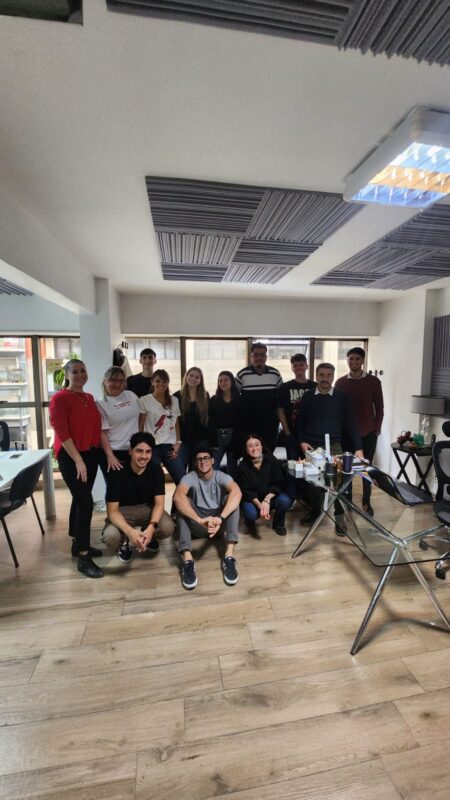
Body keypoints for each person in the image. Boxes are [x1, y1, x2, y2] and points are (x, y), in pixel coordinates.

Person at [49, 359, 104, 578]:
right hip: (71, 457)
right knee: (86, 502)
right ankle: (83, 557)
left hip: (90, 455)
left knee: (80, 500)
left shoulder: (89, 398)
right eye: (75, 371)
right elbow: (61, 431)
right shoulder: (60, 398)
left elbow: (95, 427)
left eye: (83, 370)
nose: (80, 374)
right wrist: (78, 460)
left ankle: (77, 542)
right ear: (66, 375)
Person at [297, 362, 364, 532]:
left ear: (333, 377)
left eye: (329, 375)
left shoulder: (342, 397)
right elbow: (300, 422)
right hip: (312, 446)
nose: (325, 379)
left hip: (334, 446)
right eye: (322, 375)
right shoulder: (308, 396)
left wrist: (358, 447)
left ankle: (339, 519)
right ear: (316, 376)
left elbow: (351, 423)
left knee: (340, 483)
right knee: (313, 483)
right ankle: (315, 512)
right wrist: (302, 441)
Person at [173, 444, 242, 590]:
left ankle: (229, 556)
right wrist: (199, 520)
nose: (203, 461)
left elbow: (237, 492)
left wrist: (220, 518)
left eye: (206, 458)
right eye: (199, 459)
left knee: (232, 500)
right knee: (182, 503)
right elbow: (178, 497)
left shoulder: (221, 476)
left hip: (218, 524)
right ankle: (187, 559)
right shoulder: (189, 477)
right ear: (195, 463)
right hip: (198, 525)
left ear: (212, 460)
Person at [103, 431, 174, 563]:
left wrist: (151, 528)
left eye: (148, 452)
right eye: (139, 451)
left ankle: (147, 537)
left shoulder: (156, 470)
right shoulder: (117, 472)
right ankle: (124, 542)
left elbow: (159, 504)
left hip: (147, 508)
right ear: (130, 451)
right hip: (123, 511)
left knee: (167, 527)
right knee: (110, 536)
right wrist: (130, 532)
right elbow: (112, 512)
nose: (144, 456)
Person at [335, 347, 384, 516]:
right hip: (346, 434)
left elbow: (380, 408)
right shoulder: (340, 383)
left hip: (368, 433)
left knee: (366, 469)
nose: (354, 362)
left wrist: (376, 430)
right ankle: (347, 500)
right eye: (351, 359)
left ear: (362, 361)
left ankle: (366, 501)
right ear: (347, 361)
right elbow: (338, 409)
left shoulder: (373, 381)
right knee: (346, 469)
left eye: (357, 359)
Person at [237, 434, 293, 536]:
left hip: (270, 496)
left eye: (257, 444)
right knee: (251, 514)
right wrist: (260, 506)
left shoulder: (272, 460)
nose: (254, 449)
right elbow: (246, 490)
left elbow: (278, 482)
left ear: (262, 446)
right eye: (250, 446)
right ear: (246, 450)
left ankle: (279, 524)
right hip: (252, 499)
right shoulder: (242, 466)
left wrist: (267, 500)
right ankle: (249, 522)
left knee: (285, 501)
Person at [137, 369, 185, 484]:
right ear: (152, 382)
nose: (161, 384)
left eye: (164, 381)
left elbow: (176, 422)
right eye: (158, 381)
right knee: (155, 479)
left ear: (168, 383)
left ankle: (180, 497)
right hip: (152, 446)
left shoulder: (174, 400)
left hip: (169, 446)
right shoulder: (144, 400)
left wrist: (178, 442)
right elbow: (141, 425)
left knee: (182, 478)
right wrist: (142, 445)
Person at [235, 342, 282, 452]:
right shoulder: (242, 374)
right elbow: (234, 398)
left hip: (270, 425)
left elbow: (281, 397)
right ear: (251, 357)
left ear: (266, 357)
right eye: (256, 355)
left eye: (262, 355)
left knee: (268, 453)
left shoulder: (275, 374)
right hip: (248, 425)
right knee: (251, 454)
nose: (259, 358)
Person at [96, 366, 140, 476]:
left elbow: (141, 418)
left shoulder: (131, 395)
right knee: (115, 485)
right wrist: (110, 456)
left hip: (133, 450)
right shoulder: (99, 403)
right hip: (113, 451)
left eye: (121, 381)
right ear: (105, 381)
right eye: (113, 380)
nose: (117, 384)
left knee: (135, 484)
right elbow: (102, 432)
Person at [278, 353, 317, 459]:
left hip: (312, 434)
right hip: (292, 433)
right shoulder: (285, 387)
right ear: (292, 368)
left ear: (306, 366)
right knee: (293, 464)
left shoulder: (315, 386)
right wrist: (287, 434)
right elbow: (280, 411)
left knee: (313, 463)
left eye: (301, 364)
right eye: (295, 365)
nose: (298, 367)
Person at [174, 367, 209, 468]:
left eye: (197, 377)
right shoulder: (177, 396)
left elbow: (208, 418)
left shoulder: (205, 395)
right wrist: (177, 441)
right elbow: (174, 421)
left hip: (201, 439)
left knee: (198, 469)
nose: (193, 379)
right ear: (186, 377)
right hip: (183, 440)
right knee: (180, 468)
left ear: (201, 380)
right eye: (191, 375)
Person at [208, 370, 240, 478]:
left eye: (226, 380)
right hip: (217, 436)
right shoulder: (214, 399)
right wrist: (213, 442)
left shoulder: (239, 399)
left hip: (234, 436)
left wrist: (236, 440)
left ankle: (232, 488)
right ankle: (215, 487)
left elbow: (241, 422)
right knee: (213, 466)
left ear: (232, 382)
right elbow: (211, 422)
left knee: (233, 468)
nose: (223, 383)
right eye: (220, 381)